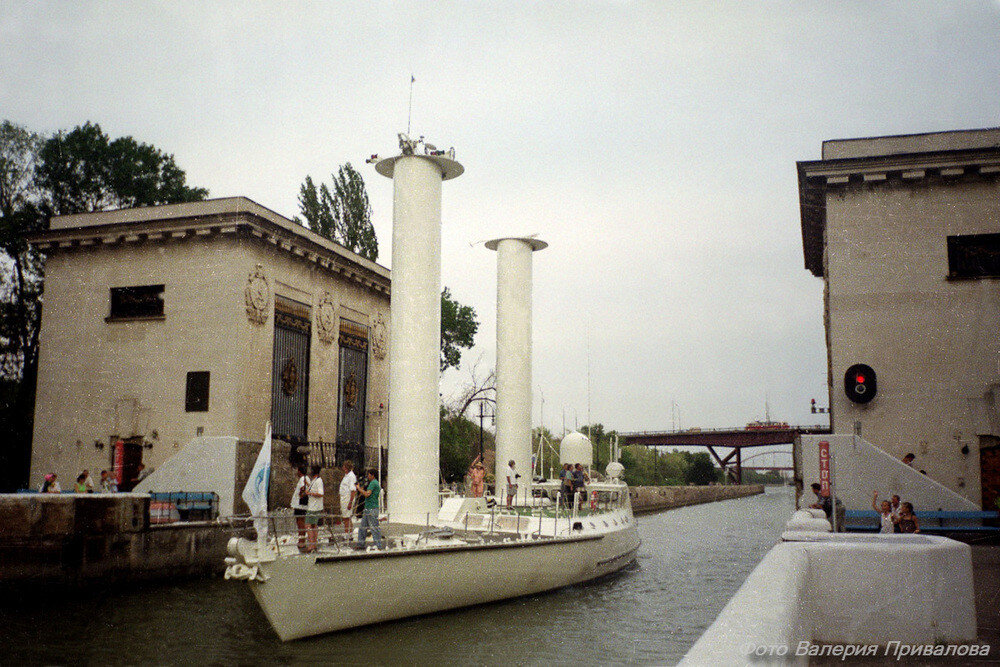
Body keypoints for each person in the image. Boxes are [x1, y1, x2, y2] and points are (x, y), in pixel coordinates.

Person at [354, 469, 383, 550]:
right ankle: (361, 544)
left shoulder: (373, 483)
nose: (368, 477)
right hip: (368, 508)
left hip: (371, 508)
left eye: (369, 475)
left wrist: (359, 488)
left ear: (373, 475)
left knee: (374, 527)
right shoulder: (374, 483)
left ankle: (378, 545)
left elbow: (367, 494)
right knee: (362, 527)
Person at [303, 465, 324, 553]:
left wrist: (310, 493)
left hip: (314, 507)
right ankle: (314, 544)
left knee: (307, 525)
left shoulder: (318, 481)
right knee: (314, 525)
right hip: (313, 506)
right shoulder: (315, 480)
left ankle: (311, 545)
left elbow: (320, 493)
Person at [290, 466, 308, 551]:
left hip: (299, 505)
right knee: (301, 521)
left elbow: (303, 488)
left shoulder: (302, 479)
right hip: (301, 505)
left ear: (300, 471)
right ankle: (302, 539)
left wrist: (301, 494)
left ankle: (301, 540)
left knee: (300, 522)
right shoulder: (306, 478)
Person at [339, 460, 357, 535]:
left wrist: (350, 502)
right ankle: (349, 533)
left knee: (346, 517)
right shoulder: (346, 475)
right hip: (344, 498)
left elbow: (353, 490)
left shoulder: (351, 476)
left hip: (347, 498)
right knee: (346, 517)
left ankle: (347, 534)